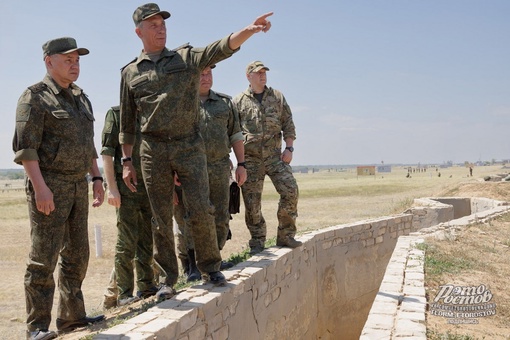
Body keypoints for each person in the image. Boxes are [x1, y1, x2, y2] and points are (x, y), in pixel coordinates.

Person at [119, 3, 272, 288]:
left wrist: (249, 31)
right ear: (138, 32)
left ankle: (210, 267)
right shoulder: (130, 72)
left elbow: (220, 48)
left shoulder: (185, 58)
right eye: (153, 25)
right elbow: (128, 123)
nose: (160, 28)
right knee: (161, 217)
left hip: (188, 145)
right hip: (152, 150)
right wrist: (127, 162)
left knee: (202, 209)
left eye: (162, 23)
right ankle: (168, 278)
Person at [12, 37, 105, 340]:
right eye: (68, 59)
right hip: (50, 184)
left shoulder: (81, 98)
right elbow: (26, 149)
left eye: (77, 59)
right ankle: (36, 327)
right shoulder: (35, 97)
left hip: (78, 184)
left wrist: (97, 178)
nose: (75, 64)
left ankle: (72, 318)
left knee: (77, 255)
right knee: (44, 257)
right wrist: (40, 188)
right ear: (49, 61)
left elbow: (87, 143)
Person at [174, 66, 247, 282]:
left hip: (219, 167)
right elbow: (173, 139)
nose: (206, 78)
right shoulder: (181, 103)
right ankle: (192, 265)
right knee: (191, 217)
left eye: (209, 73)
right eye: (201, 74)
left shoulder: (225, 103)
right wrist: (174, 168)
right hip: (190, 169)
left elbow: (235, 135)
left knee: (221, 216)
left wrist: (241, 163)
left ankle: (213, 259)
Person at [233, 61, 302, 255]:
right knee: (252, 203)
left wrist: (289, 148)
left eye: (264, 72)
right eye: (258, 73)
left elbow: (288, 124)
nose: (262, 75)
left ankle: (286, 235)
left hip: (274, 157)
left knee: (290, 190)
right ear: (249, 76)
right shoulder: (238, 101)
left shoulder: (277, 97)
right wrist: (239, 162)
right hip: (251, 159)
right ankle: (257, 242)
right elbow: (232, 132)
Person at [100, 106, 161, 308]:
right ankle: (125, 293)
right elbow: (107, 154)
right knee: (126, 241)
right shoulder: (116, 115)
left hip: (149, 185)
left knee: (146, 238)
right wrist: (112, 188)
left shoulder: (150, 114)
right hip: (125, 187)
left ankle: (146, 286)